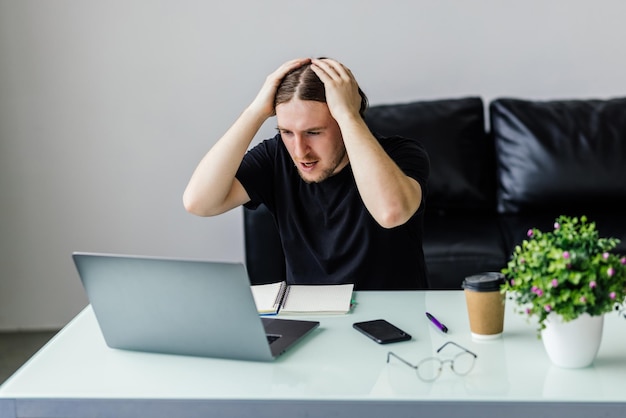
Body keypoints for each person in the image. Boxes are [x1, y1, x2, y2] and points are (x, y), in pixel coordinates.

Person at [183, 57, 430, 290]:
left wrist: (348, 115)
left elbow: (390, 213)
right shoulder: (276, 156)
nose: (300, 152)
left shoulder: (401, 154)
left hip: (394, 317)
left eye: (313, 132)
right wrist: (255, 111)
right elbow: (199, 203)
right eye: (287, 132)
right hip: (310, 318)